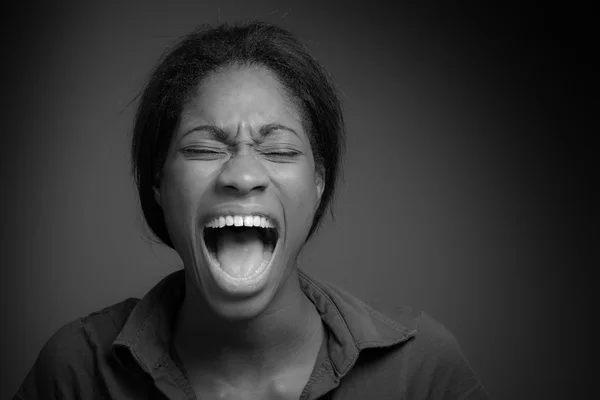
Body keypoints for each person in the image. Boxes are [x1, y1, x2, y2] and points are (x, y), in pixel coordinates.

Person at [14, 21, 488, 400]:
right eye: (203, 149)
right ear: (158, 181)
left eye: (279, 151)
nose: (242, 176)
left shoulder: (420, 371)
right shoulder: (76, 371)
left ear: (319, 183)